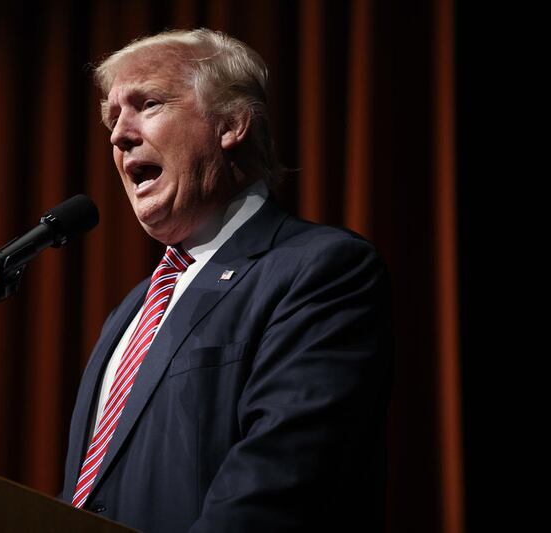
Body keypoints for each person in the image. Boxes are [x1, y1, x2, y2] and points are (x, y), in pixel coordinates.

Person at [61, 28, 394, 533]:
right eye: (111, 117)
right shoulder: (130, 312)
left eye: (147, 104)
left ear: (231, 124)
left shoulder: (320, 269)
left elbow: (278, 482)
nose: (118, 134)